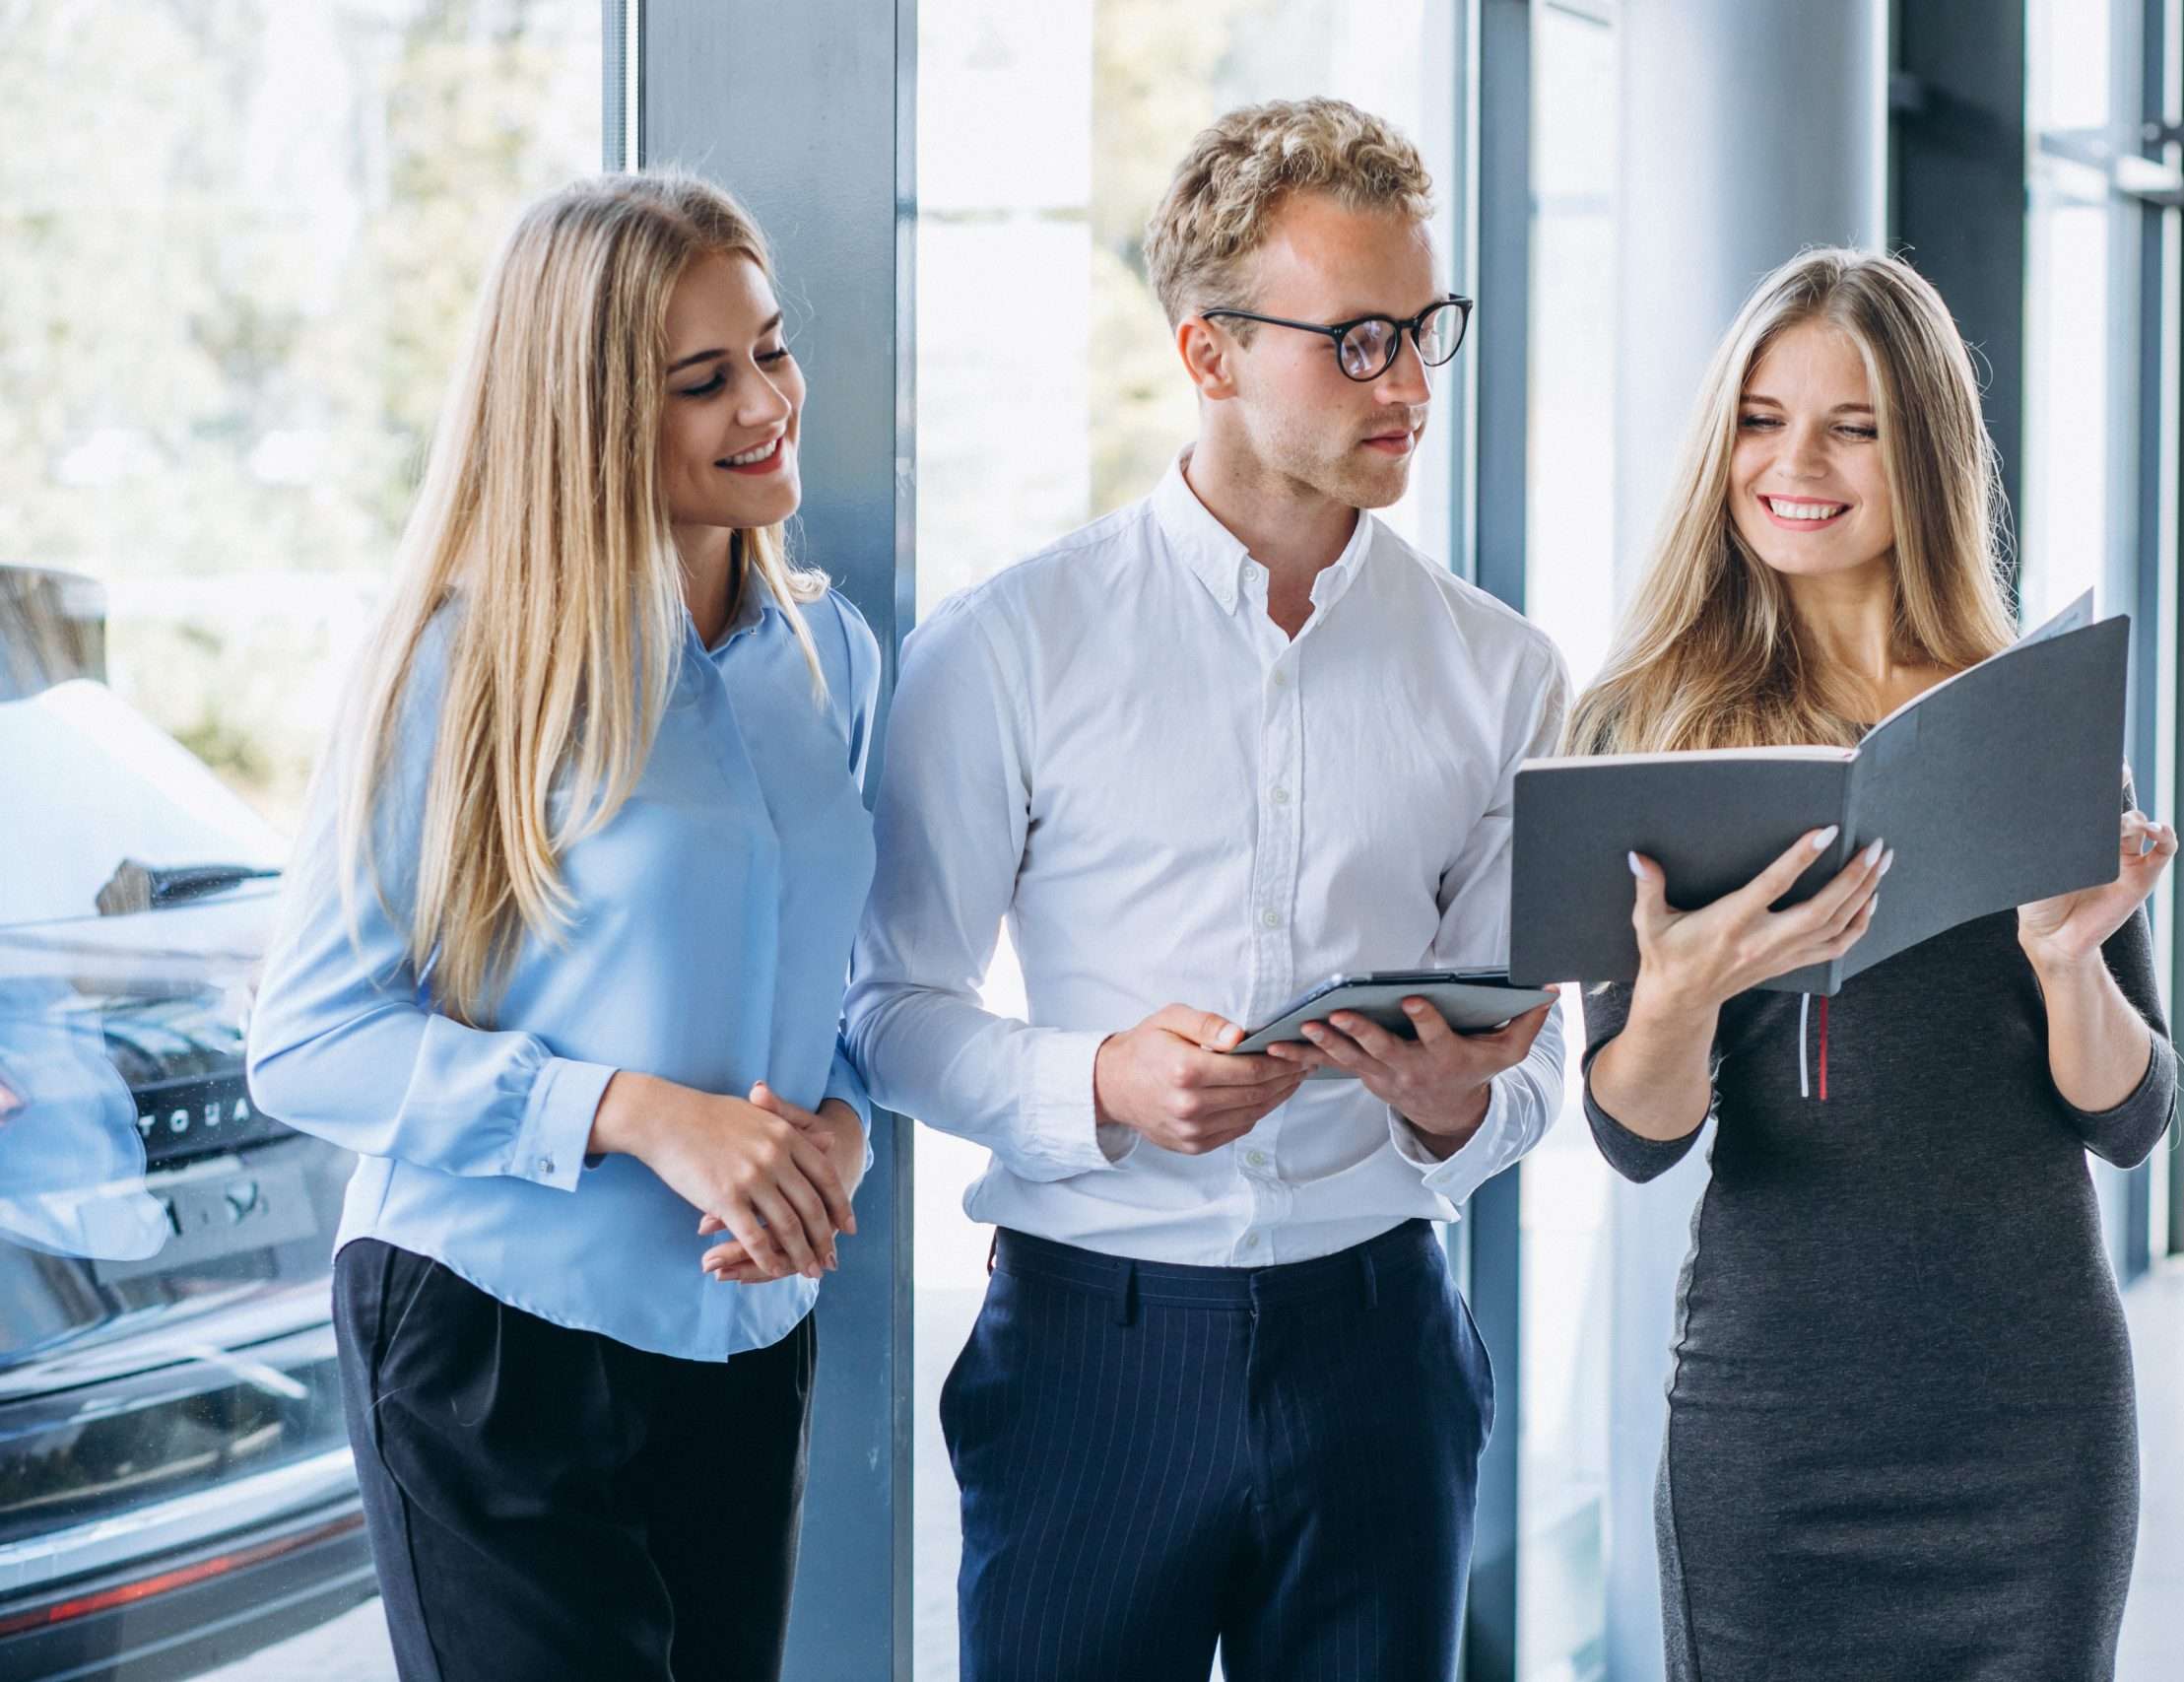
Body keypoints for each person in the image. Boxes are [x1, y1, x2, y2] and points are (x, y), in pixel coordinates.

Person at [840, 98, 1567, 1681]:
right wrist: (1095, 1078)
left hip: (1383, 1342)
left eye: (1425, 328)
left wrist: (1457, 1106)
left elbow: (1533, 1069)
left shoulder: (1502, 673)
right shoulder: (1011, 645)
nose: (1412, 384)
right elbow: (886, 1010)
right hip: (1091, 1358)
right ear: (1209, 351)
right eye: (1359, 340)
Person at [246, 172, 881, 1682]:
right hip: (488, 1334)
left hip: (743, 1338)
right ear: (587, 412)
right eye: (703, 381)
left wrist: (839, 1131)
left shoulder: (830, 655)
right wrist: (636, 1114)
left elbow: (836, 990)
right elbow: (307, 1041)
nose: (768, 403)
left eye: (771, 353)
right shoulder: (459, 668)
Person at [1568, 247, 2179, 1681]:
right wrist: (1679, 994)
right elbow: (1634, 1136)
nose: (1798, 463)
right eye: (1763, 418)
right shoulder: (1645, 735)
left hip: (2029, 1416)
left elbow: (2133, 1115)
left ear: (1928, 453)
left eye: (1855, 426)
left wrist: (2063, 960)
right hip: (1771, 1422)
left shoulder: (2033, 722)